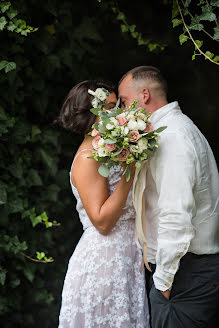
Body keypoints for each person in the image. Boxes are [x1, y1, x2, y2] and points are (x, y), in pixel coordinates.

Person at [118, 66, 219, 328]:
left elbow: (175, 215)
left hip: (184, 274)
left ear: (144, 95)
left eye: (125, 101)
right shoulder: (170, 130)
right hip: (183, 271)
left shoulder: (172, 137)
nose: (121, 110)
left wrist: (162, 284)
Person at [55, 80, 150, 328]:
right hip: (105, 260)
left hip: (126, 256)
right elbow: (102, 221)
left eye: (116, 105)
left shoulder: (109, 151)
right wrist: (129, 171)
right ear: (89, 114)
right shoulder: (88, 157)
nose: (116, 112)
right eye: (107, 107)